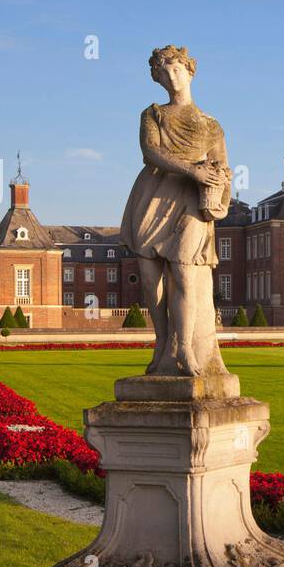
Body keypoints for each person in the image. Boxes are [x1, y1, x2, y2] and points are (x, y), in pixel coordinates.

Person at [120, 45, 232, 376]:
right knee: (151, 278)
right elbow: (151, 153)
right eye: (164, 73)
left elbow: (224, 167)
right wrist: (193, 169)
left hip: (191, 202)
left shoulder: (211, 124)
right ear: (158, 78)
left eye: (177, 70)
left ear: (190, 71)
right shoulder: (153, 114)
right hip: (152, 198)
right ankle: (161, 342)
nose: (172, 77)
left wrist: (221, 198)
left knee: (184, 271)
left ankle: (184, 349)